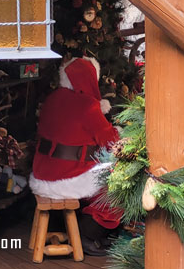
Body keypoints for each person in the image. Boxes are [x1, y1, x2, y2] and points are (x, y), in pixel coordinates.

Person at [29, 57, 121, 255]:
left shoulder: (52, 98)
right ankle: (87, 235)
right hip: (67, 177)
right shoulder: (87, 105)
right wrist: (119, 129)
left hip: (42, 172)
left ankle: (72, 227)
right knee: (118, 188)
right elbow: (110, 140)